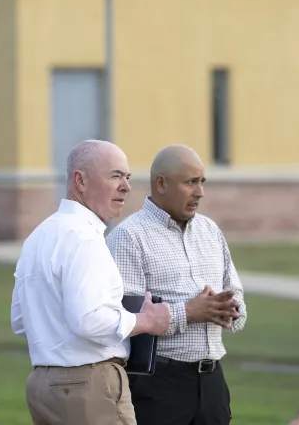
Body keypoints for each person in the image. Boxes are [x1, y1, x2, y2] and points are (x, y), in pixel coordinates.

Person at [11, 139, 171, 425]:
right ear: (80, 181)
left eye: (127, 177)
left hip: (43, 388)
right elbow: (89, 321)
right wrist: (147, 321)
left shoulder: (37, 237)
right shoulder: (85, 238)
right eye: (115, 176)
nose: (126, 186)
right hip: (90, 386)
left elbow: (21, 320)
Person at [106, 144, 247, 425]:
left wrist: (227, 308)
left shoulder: (210, 231)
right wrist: (190, 312)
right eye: (191, 182)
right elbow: (125, 324)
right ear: (161, 183)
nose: (200, 192)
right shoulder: (128, 238)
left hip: (213, 385)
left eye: (202, 182)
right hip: (159, 387)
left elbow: (238, 297)